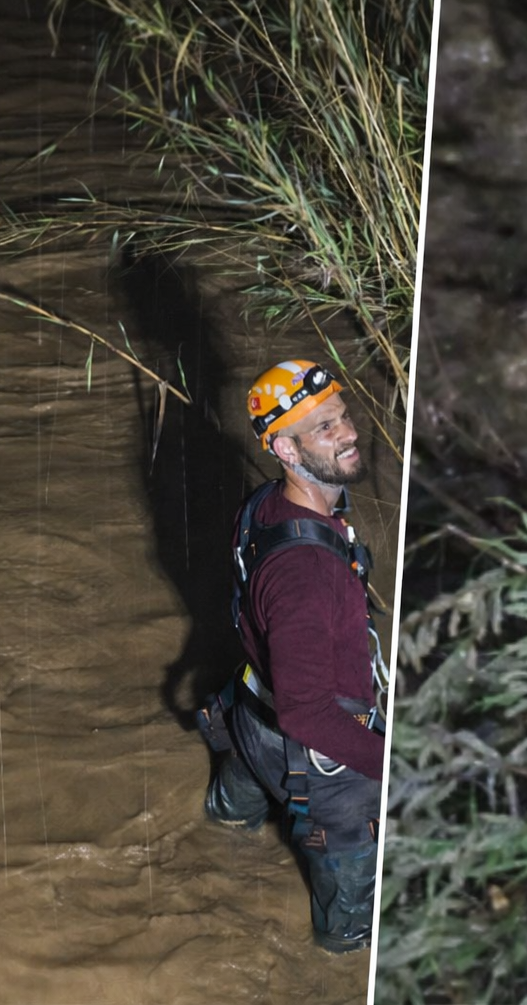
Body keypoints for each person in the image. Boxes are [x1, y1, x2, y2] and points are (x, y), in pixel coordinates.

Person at [197, 359, 385, 955]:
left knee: (227, 820)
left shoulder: (263, 508)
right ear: (285, 447)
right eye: (325, 428)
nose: (349, 431)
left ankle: (208, 857)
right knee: (351, 930)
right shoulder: (306, 572)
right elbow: (309, 715)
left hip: (251, 717)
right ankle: (337, 955)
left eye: (343, 415)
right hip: (317, 760)